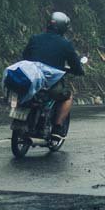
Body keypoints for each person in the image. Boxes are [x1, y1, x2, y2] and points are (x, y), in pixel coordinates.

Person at [21, 11, 84, 140]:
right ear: (63, 27)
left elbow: (25, 56)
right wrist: (79, 71)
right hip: (49, 84)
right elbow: (75, 65)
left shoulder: (35, 38)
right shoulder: (65, 44)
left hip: (30, 80)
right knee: (67, 97)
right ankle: (57, 127)